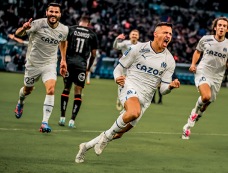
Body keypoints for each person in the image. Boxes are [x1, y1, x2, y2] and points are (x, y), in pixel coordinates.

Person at [75, 22, 180, 163]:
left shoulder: (169, 60)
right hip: (129, 86)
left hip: (146, 98)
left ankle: (85, 146)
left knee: (118, 134)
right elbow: (119, 68)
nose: (168, 36)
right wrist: (117, 77)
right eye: (165, 33)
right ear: (155, 34)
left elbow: (162, 90)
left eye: (170, 34)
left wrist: (170, 87)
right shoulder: (137, 49)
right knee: (133, 112)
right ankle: (105, 138)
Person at [14, 3, 68, 133]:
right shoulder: (37, 24)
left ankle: (44, 122)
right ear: (46, 12)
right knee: (27, 90)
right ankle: (21, 102)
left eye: (56, 12)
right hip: (33, 64)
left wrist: (63, 60)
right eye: (51, 11)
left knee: (51, 89)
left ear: (59, 14)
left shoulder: (64, 29)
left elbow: (63, 41)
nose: (53, 14)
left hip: (49, 64)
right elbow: (18, 34)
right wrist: (23, 28)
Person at [182, 17, 228, 139]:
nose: (221, 27)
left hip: (217, 77)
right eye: (220, 25)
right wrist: (193, 64)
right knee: (206, 96)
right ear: (215, 28)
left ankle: (188, 127)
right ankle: (193, 113)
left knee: (206, 104)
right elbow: (197, 52)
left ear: (227, 30)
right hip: (203, 72)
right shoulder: (206, 39)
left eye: (224, 26)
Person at [58, 17, 98, 128]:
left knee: (66, 88)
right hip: (81, 65)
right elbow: (93, 54)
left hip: (69, 63)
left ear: (79, 22)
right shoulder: (92, 34)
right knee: (78, 92)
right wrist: (88, 68)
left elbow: (63, 44)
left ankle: (62, 118)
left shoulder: (70, 29)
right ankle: (72, 121)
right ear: (89, 24)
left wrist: (63, 60)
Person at [113, 30, 141, 110]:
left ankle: (128, 101)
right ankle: (120, 98)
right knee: (122, 83)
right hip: (125, 67)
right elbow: (115, 46)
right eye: (133, 34)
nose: (134, 36)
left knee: (133, 85)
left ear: (138, 37)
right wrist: (117, 39)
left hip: (135, 69)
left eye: (136, 34)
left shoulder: (140, 45)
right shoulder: (125, 43)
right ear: (130, 35)